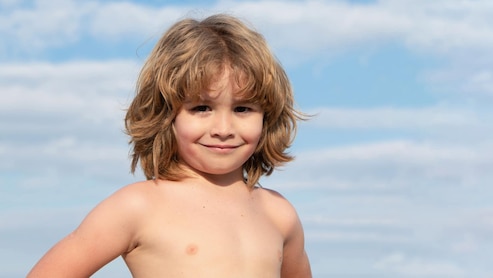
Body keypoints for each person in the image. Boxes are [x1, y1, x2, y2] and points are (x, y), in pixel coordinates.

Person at [27, 13, 312, 278]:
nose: (223, 130)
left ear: (268, 117)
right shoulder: (137, 206)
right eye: (201, 108)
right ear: (166, 115)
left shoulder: (279, 213)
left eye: (242, 109)